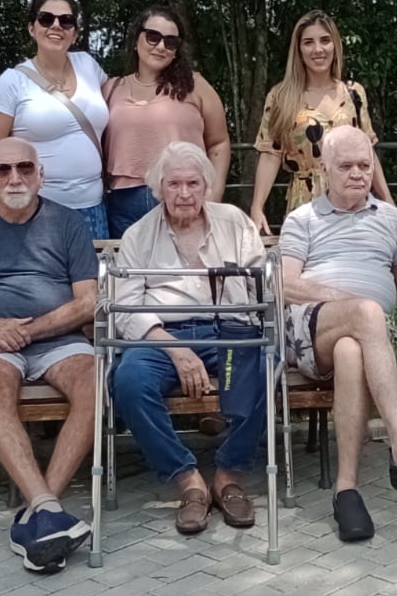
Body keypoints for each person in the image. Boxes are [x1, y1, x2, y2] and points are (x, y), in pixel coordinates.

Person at [280, 125, 397, 542]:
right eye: (346, 166)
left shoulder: (390, 219)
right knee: (365, 313)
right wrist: (346, 300)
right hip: (309, 329)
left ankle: (347, 491)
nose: (358, 173)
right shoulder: (303, 219)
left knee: (350, 351)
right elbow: (284, 284)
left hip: (359, 335)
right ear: (324, 170)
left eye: (365, 164)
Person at [0, 138, 97, 573]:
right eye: (3, 170)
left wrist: (23, 333)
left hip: (57, 339)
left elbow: (88, 303)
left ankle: (39, 510)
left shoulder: (67, 223)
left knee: (96, 384)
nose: (15, 178)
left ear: (41, 175)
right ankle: (47, 509)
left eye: (25, 168)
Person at [112, 142, 267, 534]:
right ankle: (188, 481)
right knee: (129, 381)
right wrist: (175, 349)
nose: (184, 193)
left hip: (227, 328)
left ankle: (228, 476)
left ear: (206, 186)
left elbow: (260, 287)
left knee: (266, 365)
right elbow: (125, 309)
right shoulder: (138, 236)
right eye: (174, 184)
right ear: (159, 188)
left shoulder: (234, 222)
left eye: (193, 184)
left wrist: (244, 327)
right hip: (161, 335)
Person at [0, 0, 110, 239]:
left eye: (66, 21)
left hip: (92, 208)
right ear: (32, 28)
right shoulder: (11, 82)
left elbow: (120, 95)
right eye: (46, 19)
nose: (56, 26)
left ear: (75, 33)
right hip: (34, 211)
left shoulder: (88, 65)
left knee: (92, 267)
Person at [251, 10, 393, 235]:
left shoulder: (353, 93)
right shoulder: (281, 97)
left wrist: (387, 201)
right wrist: (257, 207)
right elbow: (270, 153)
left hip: (353, 199)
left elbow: (368, 151)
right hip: (305, 203)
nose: (318, 49)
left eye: (325, 40)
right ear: (298, 50)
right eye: (308, 42)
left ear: (335, 45)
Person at [102, 6, 231, 239]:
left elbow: (219, 143)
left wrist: (213, 196)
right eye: (153, 37)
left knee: (186, 263)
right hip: (123, 203)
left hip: (184, 197)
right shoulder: (111, 89)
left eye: (171, 42)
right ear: (136, 40)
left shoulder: (195, 85)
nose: (161, 46)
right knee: (128, 264)